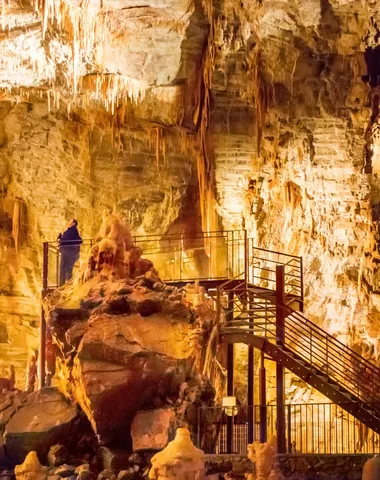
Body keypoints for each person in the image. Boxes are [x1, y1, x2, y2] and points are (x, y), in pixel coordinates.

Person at [58, 219, 83, 285]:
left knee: (66, 268)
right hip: (68, 251)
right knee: (67, 268)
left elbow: (67, 240)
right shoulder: (71, 231)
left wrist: (61, 239)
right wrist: (61, 238)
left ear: (74, 223)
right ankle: (65, 284)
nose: (69, 222)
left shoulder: (73, 231)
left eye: (70, 221)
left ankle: (64, 284)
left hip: (68, 252)